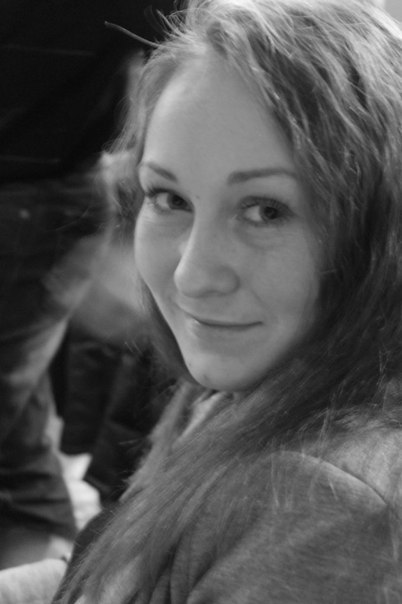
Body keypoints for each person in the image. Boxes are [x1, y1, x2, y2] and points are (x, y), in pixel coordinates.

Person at [3, 0, 402, 600]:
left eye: (266, 211)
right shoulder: (257, 373)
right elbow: (121, 575)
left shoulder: (323, 502)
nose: (192, 276)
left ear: (381, 225)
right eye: (169, 199)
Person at [0, 0, 175, 569]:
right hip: (42, 192)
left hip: (34, 193)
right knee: (19, 434)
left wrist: (141, 236)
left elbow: (196, 51)